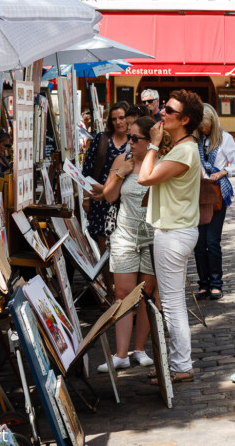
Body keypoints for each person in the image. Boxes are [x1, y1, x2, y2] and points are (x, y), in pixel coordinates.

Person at [138, 89, 203, 383]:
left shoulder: (185, 150)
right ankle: (178, 363)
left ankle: (180, 366)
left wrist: (152, 145)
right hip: (176, 230)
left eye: (169, 110)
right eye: (163, 107)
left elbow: (145, 178)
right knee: (173, 301)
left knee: (173, 303)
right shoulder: (183, 147)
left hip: (173, 232)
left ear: (185, 119)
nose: (163, 112)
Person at [97, 117, 158, 372]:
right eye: (129, 137)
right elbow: (109, 196)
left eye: (135, 139)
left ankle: (139, 349)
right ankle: (120, 354)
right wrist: (119, 173)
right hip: (124, 235)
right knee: (123, 295)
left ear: (149, 141)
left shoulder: (159, 163)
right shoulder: (122, 160)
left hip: (152, 237)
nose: (129, 142)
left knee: (146, 296)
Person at [82, 102, 128, 296]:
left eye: (122, 117)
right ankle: (111, 290)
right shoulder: (102, 139)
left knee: (122, 248)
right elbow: (87, 169)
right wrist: (86, 197)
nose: (118, 122)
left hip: (123, 202)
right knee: (104, 249)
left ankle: (123, 289)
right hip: (100, 201)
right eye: (115, 118)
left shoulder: (134, 141)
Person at [194, 103, 235, 300]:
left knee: (212, 240)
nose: (203, 129)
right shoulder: (195, 140)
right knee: (199, 242)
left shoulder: (225, 138)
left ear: (213, 122)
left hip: (217, 192)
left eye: (206, 125)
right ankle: (203, 284)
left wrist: (223, 172)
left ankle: (216, 283)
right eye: (200, 126)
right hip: (199, 192)